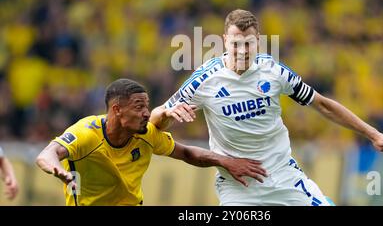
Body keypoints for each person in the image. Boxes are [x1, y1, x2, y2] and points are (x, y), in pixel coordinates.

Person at [151, 9, 383, 206]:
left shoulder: (274, 72)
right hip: (238, 187)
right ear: (224, 42)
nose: (242, 51)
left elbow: (323, 105)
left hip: (284, 176)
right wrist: (166, 114)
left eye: (248, 43)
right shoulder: (204, 80)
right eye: (235, 44)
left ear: (258, 41)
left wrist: (374, 134)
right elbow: (155, 122)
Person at [36, 78, 267, 206]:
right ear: (117, 110)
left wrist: (227, 161)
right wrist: (56, 168)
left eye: (147, 106)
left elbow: (186, 153)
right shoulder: (87, 134)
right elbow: (47, 154)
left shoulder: (145, 134)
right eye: (139, 107)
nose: (146, 113)